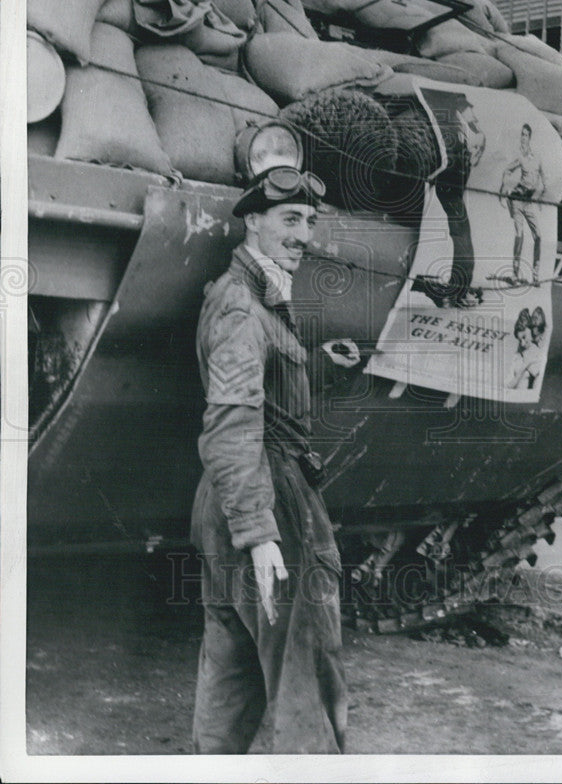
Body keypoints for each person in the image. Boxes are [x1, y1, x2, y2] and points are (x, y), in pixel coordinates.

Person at [190, 164, 353, 754]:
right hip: (266, 497)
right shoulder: (242, 307)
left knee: (230, 677)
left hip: (230, 495)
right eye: (290, 219)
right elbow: (232, 422)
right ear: (253, 221)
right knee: (305, 673)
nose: (304, 234)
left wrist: (320, 366)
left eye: (309, 221)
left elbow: (259, 393)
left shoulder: (256, 299)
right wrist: (260, 534)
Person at [411, 89, 486, 308]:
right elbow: (470, 117)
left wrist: (478, 134)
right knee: (460, 233)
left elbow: (471, 121)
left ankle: (450, 288)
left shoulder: (450, 116)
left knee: (456, 232)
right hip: (447, 176)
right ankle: (455, 290)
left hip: (447, 175)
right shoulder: (451, 112)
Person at [500, 123, 545, 285]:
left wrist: (538, 196)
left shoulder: (537, 157)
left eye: (526, 135)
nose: (523, 138)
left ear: (530, 138)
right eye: (522, 135)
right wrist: (506, 188)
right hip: (517, 200)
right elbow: (507, 170)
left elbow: (543, 180)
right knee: (520, 234)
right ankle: (515, 274)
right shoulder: (519, 156)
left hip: (529, 202)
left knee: (538, 236)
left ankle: (535, 275)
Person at [506, 307, 546, 390]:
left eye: (524, 337)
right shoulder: (521, 354)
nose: (522, 343)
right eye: (520, 340)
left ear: (531, 330)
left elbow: (517, 377)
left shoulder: (535, 351)